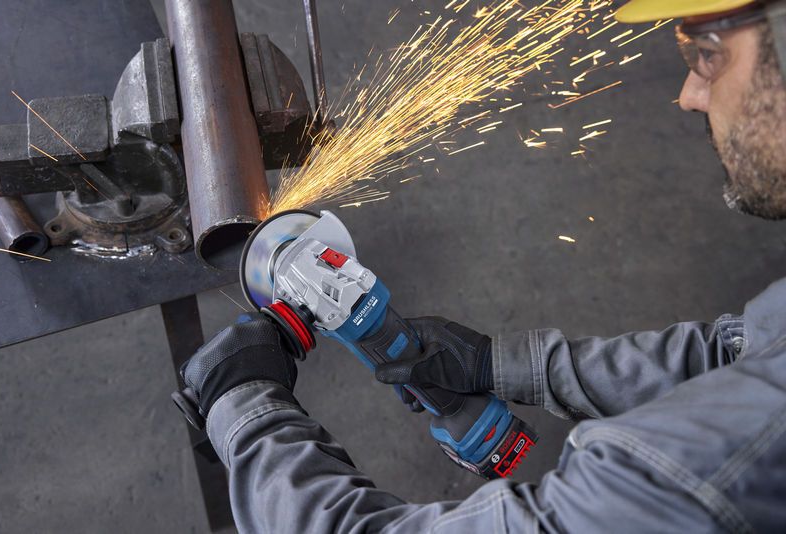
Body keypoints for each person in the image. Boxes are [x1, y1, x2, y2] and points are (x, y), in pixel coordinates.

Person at [178, 1, 786, 531]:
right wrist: (504, 366)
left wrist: (247, 411)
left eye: (708, 53)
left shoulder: (708, 471)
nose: (688, 94)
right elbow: (738, 352)